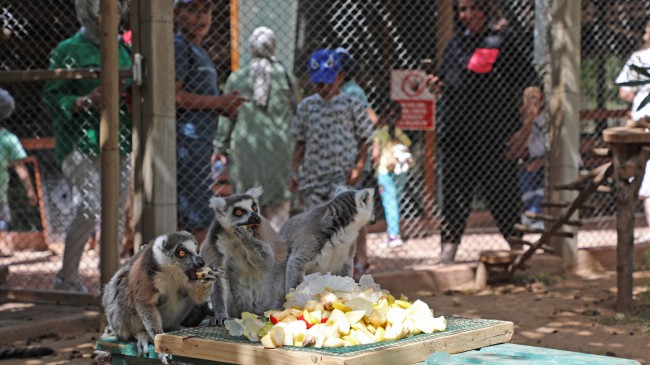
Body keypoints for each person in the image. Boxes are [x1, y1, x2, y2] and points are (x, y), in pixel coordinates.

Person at [427, 0, 542, 264]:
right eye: (462, 9)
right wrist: (438, 86)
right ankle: (446, 259)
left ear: (485, 10)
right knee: (454, 199)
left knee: (504, 198)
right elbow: (455, 86)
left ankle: (518, 256)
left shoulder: (503, 41)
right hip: (458, 138)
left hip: (495, 138)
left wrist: (525, 131)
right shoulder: (455, 45)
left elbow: (531, 82)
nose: (467, 15)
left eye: (473, 9)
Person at [43, 0, 132, 292]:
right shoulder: (67, 50)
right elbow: (51, 98)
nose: (110, 14)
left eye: (117, 7)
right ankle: (67, 278)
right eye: (102, 7)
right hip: (78, 143)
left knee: (117, 212)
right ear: (86, 12)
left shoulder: (124, 50)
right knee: (89, 208)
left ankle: (111, 280)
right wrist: (82, 102)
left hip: (118, 142)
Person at [173, 0, 246, 243]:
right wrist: (218, 103)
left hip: (201, 146)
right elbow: (174, 97)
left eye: (206, 10)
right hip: (187, 143)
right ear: (176, 13)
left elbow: (200, 100)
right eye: (192, 10)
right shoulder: (179, 46)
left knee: (200, 218)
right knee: (197, 223)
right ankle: (195, 277)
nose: (200, 17)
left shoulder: (199, 51)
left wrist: (224, 105)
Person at [219, 26, 297, 231]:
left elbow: (226, 117)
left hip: (246, 151)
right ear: (273, 46)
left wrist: (219, 146)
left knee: (246, 201)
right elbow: (297, 111)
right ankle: (278, 252)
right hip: (279, 150)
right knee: (279, 204)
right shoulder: (287, 78)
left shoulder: (237, 77)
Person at [288, 48, 373, 216]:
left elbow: (365, 138)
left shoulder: (352, 104)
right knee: (315, 228)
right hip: (313, 181)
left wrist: (359, 167)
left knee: (342, 227)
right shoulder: (307, 106)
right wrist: (294, 171)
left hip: (343, 179)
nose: (325, 87)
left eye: (329, 81)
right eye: (319, 83)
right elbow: (300, 142)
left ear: (340, 77)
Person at [334, 47, 378, 273]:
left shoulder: (351, 91)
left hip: (352, 163)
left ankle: (357, 261)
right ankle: (360, 260)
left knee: (352, 215)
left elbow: (371, 119)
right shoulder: (344, 91)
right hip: (349, 161)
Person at [616, 19, 650, 243]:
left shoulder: (641, 57)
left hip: (644, 124)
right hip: (644, 125)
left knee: (647, 179)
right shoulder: (641, 57)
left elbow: (625, 92)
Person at [0, 88, 38, 255]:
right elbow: (20, 167)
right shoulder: (9, 138)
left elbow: (20, 166)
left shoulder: (8, 139)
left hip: (0, 194)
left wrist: (30, 190)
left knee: (2, 221)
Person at [371, 99, 412, 248]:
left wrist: (375, 165)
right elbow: (407, 147)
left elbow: (375, 154)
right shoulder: (400, 133)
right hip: (400, 172)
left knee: (389, 203)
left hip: (384, 171)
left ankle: (394, 235)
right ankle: (392, 232)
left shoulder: (379, 133)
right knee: (396, 202)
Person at [519, 94, 546, 230]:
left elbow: (560, 150)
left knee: (545, 180)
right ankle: (531, 214)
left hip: (555, 160)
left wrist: (542, 161)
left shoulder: (549, 118)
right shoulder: (525, 121)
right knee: (525, 176)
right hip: (533, 161)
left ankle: (535, 215)